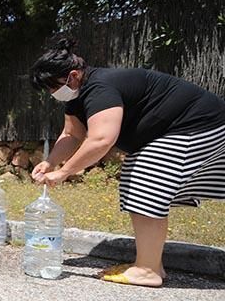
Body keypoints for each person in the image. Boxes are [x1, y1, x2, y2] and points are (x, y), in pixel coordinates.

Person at [30, 37, 225, 287]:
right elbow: (72, 135)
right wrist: (50, 162)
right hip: (186, 129)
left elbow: (101, 139)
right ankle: (150, 264)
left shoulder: (100, 87)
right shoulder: (76, 97)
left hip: (200, 125)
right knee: (139, 175)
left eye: (52, 87)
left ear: (74, 76)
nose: (52, 93)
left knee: (144, 176)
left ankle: (147, 269)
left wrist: (65, 172)